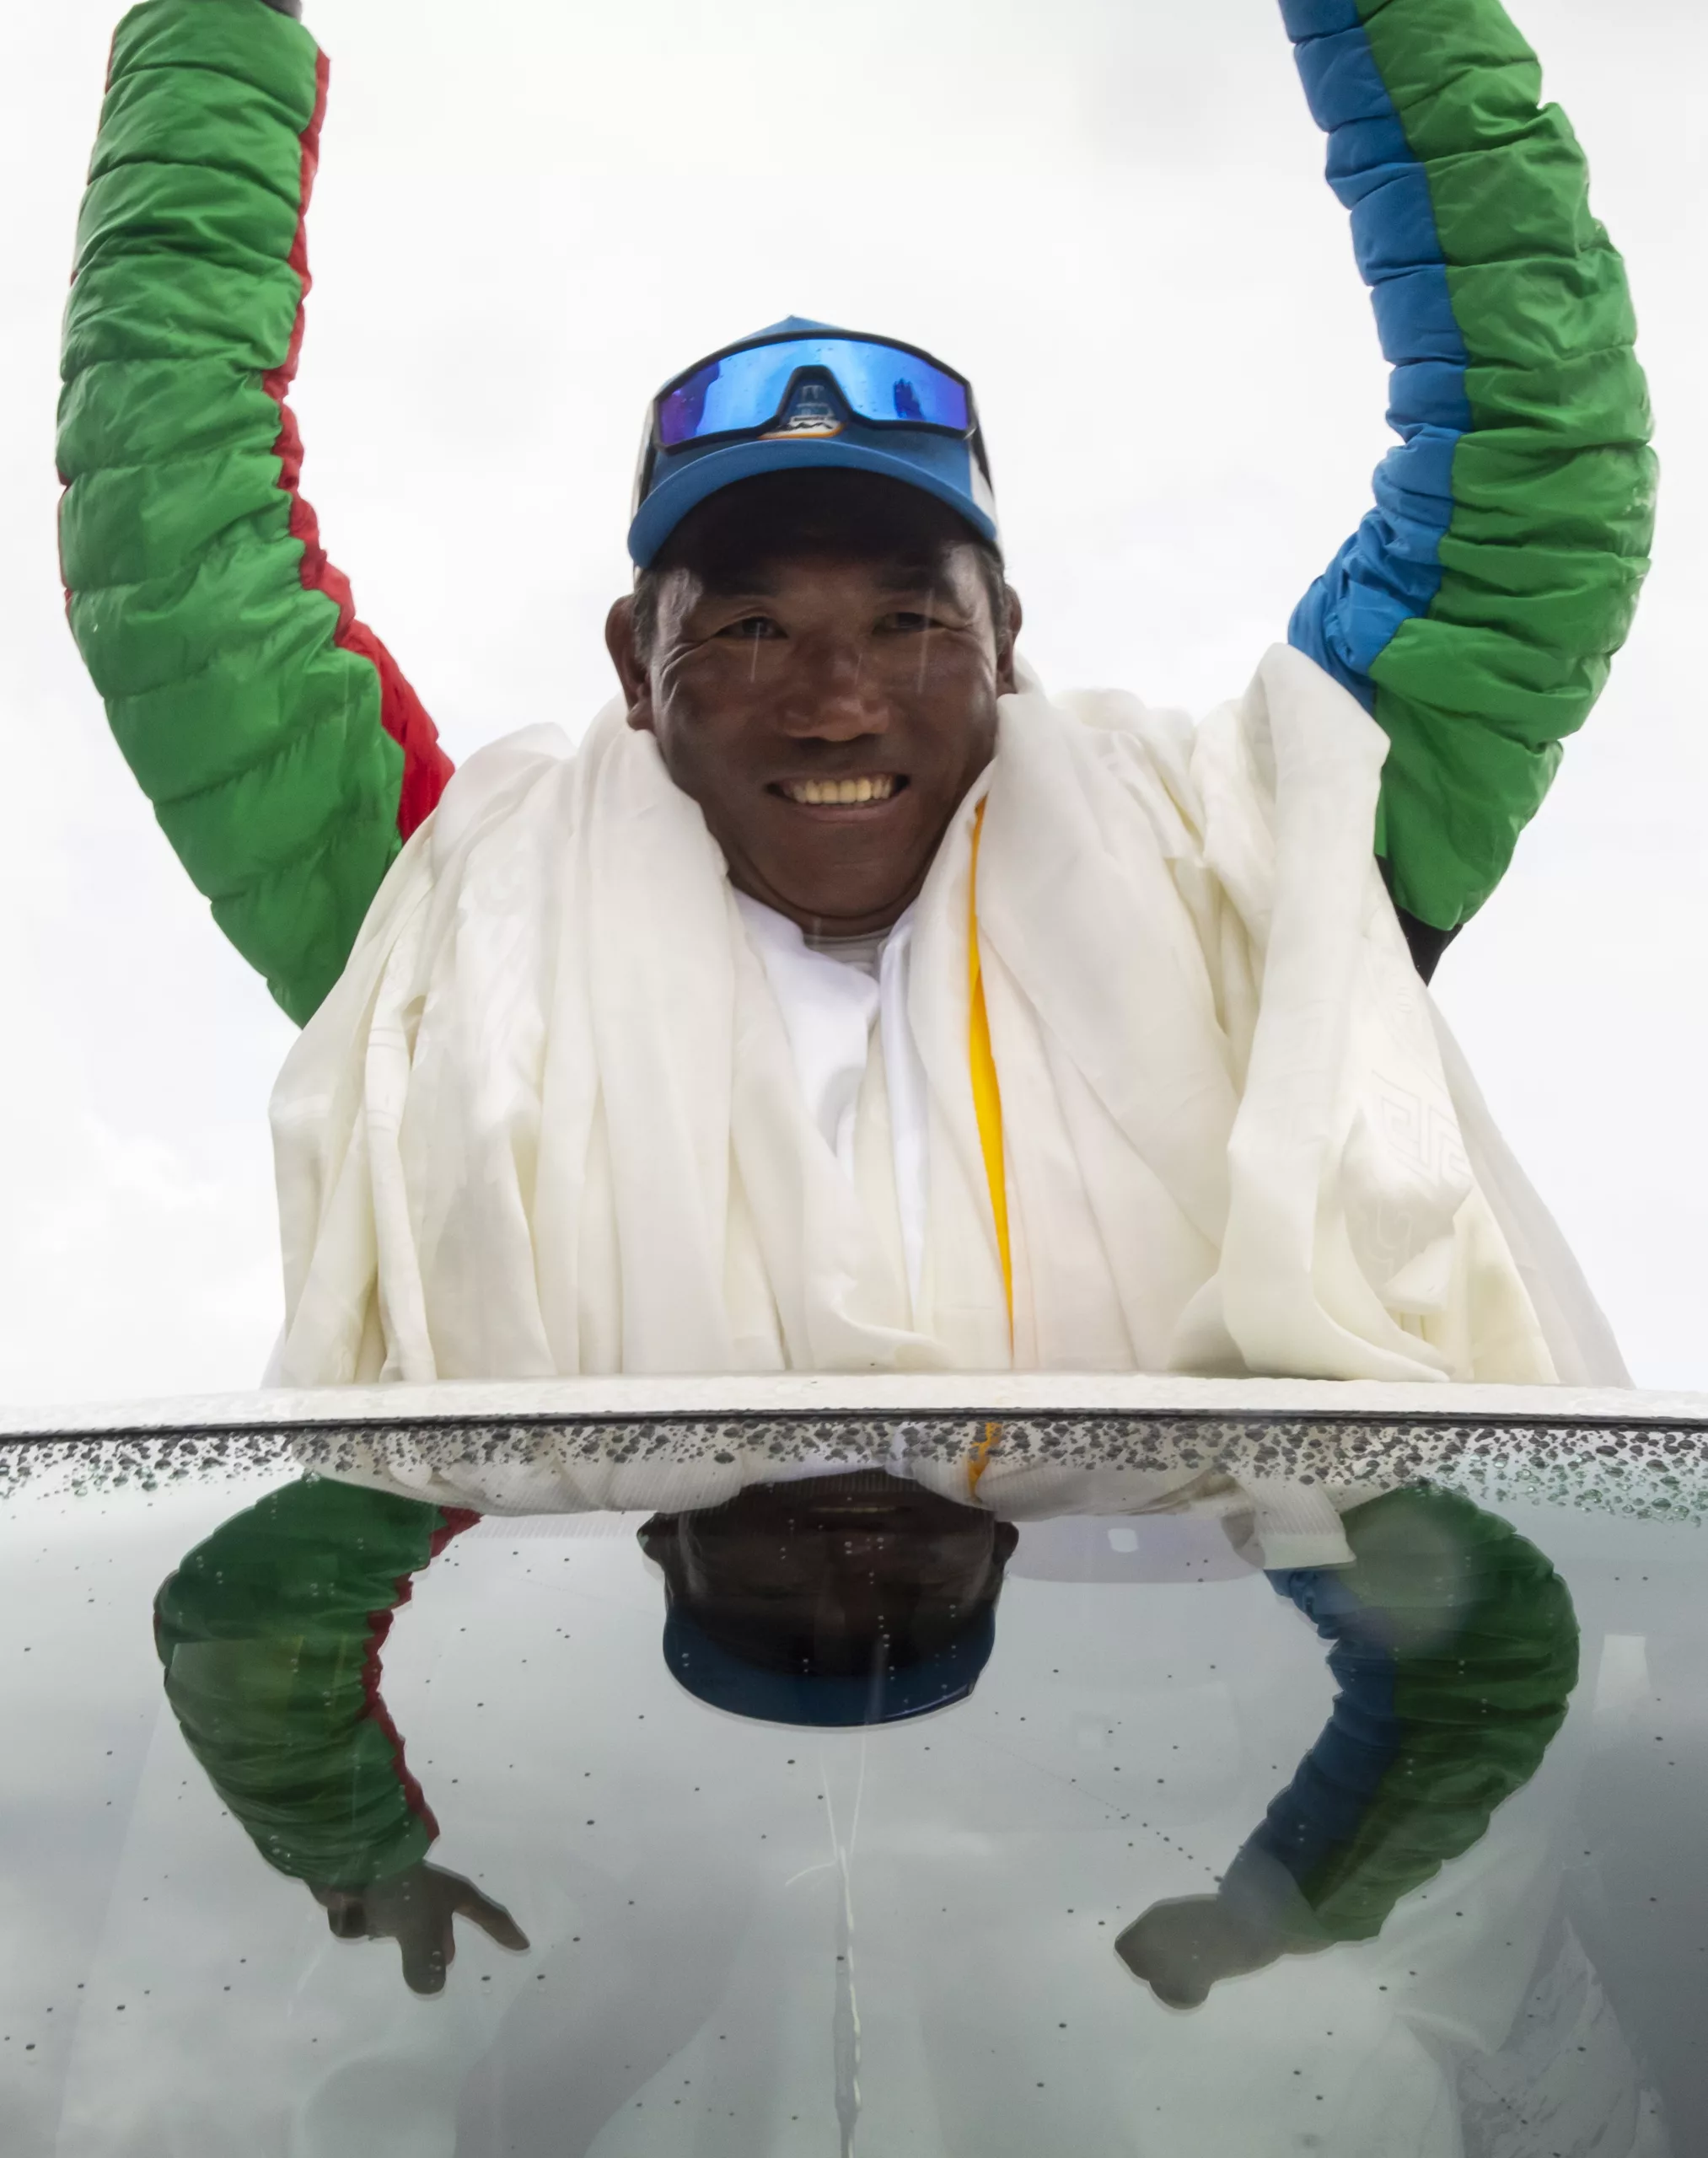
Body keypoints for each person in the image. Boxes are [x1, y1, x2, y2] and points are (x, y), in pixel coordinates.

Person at [59, 0, 1654, 1388]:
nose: (834, 702)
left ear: (1005, 641)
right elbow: (173, 545)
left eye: (906, 622)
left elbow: (1533, 472)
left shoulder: (1262, 886)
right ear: (633, 666)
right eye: (751, 628)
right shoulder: (450, 930)